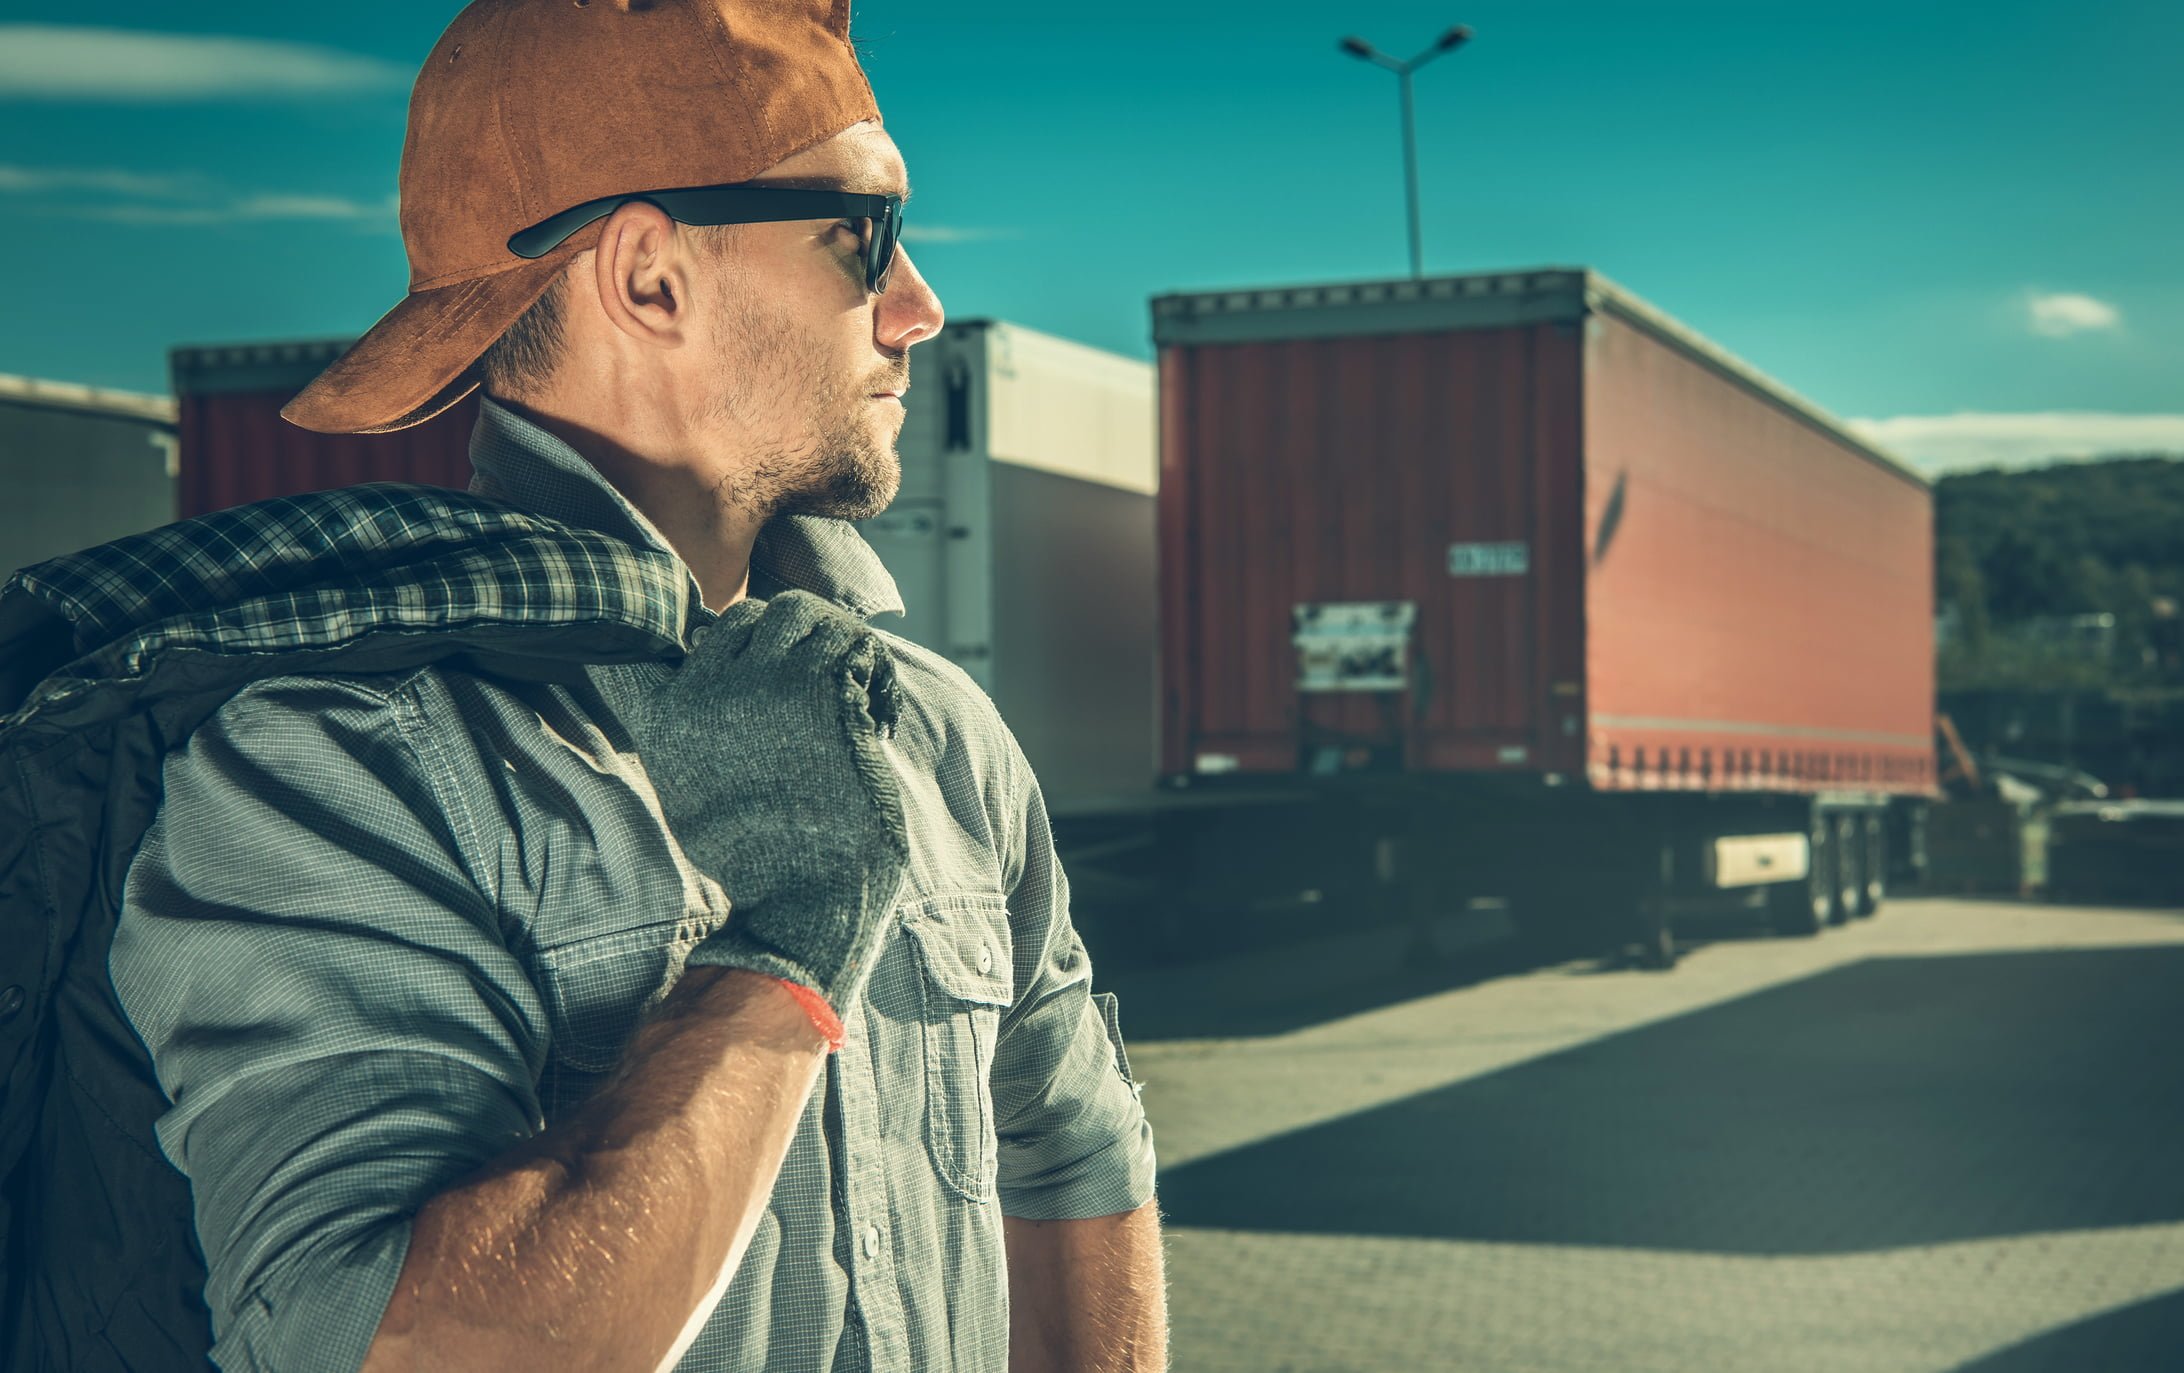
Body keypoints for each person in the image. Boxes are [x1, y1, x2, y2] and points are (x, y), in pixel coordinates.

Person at [103, 1, 1164, 1369]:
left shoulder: (941, 730)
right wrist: (781, 941)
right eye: (864, 237)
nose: (920, 308)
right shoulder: (330, 771)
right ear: (651, 275)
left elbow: (1074, 1153)